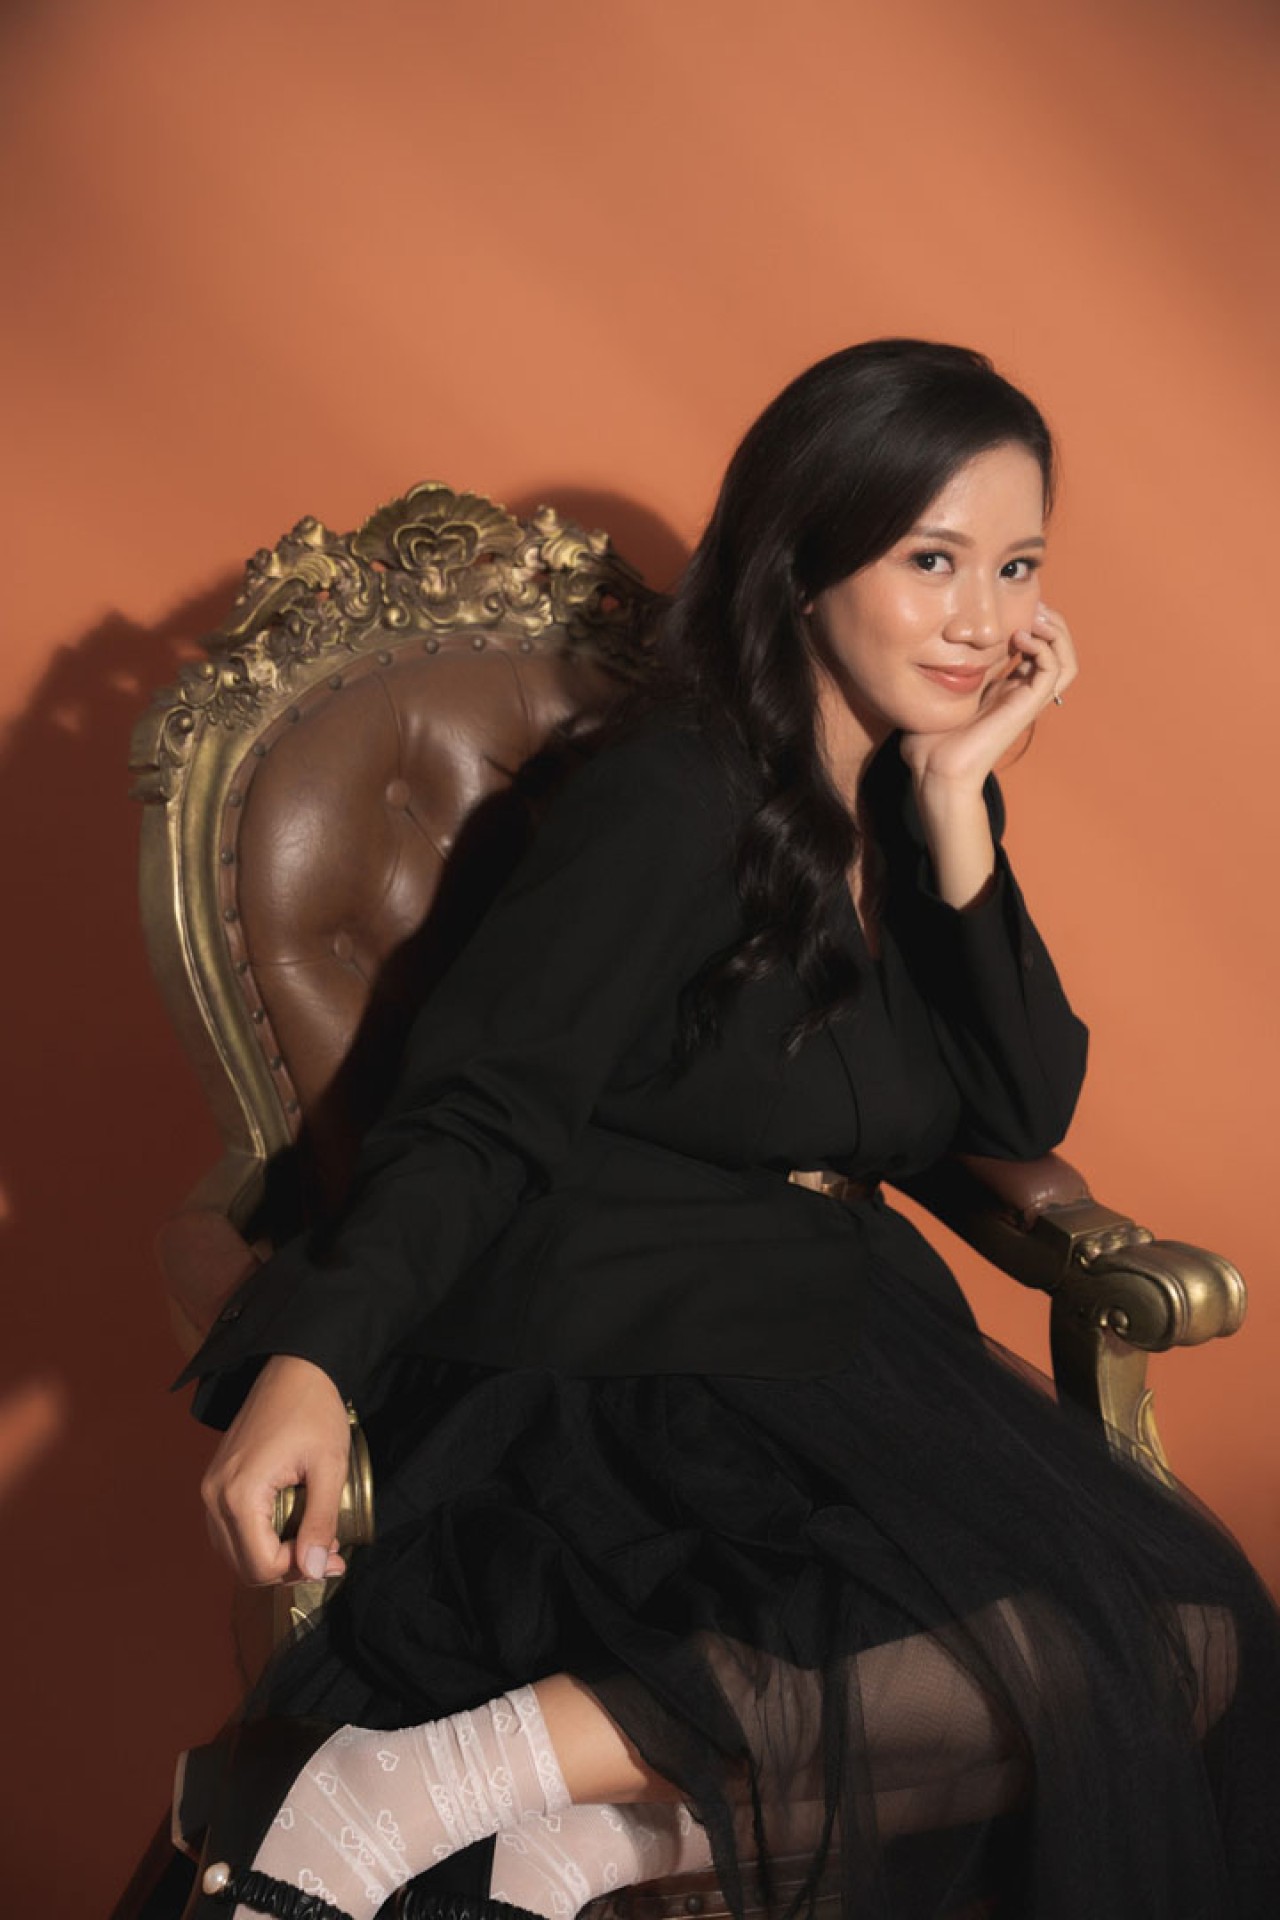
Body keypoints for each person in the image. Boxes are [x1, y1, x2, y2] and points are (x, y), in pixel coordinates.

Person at [172, 340, 1280, 1920]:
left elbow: (1018, 1103)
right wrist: (316, 1359)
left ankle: (589, 1847)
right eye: (934, 561)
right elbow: (483, 1105)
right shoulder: (671, 793)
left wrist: (958, 803)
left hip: (831, 1328)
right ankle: (403, 1787)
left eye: (1019, 566)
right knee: (1047, 1639)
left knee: (1184, 1645)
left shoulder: (916, 799)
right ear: (807, 559)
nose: (986, 619)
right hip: (622, 1342)